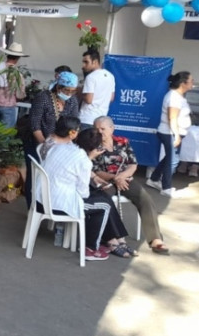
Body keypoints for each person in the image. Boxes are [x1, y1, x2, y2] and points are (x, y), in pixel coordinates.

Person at [42, 127, 131, 261]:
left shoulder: (60, 147)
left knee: (103, 198)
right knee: (104, 205)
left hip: (44, 195)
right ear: (95, 148)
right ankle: (90, 248)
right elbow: (83, 193)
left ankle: (115, 238)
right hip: (59, 203)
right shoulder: (84, 161)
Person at [92, 116, 169, 254]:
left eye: (103, 129)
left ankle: (155, 238)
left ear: (112, 128)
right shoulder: (92, 144)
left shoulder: (123, 142)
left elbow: (133, 164)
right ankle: (112, 237)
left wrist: (121, 177)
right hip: (105, 180)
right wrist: (115, 178)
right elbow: (95, 170)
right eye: (96, 129)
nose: (99, 132)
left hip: (124, 179)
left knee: (144, 198)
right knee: (104, 201)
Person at [23, 68, 80, 208]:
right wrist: (45, 146)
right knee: (35, 175)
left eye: (73, 91)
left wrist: (65, 144)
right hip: (37, 142)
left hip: (60, 145)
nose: (70, 94)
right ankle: (33, 208)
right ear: (58, 87)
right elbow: (34, 124)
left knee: (54, 177)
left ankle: (50, 206)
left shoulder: (72, 101)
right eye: (67, 91)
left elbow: (74, 123)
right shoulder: (43, 98)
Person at [147, 71, 194, 198]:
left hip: (172, 132)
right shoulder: (174, 97)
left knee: (169, 157)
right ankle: (166, 187)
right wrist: (177, 136)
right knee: (173, 160)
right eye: (191, 81)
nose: (193, 84)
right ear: (183, 83)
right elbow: (172, 118)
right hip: (169, 133)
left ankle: (153, 179)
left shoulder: (178, 96)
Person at [0, 42, 27, 129]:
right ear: (18, 58)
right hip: (8, 107)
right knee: (4, 134)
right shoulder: (18, 74)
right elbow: (20, 95)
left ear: (7, 55)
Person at [78, 48, 115, 129]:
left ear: (94, 62)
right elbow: (111, 98)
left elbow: (88, 100)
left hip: (87, 119)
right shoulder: (110, 76)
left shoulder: (90, 77)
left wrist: (79, 92)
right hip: (101, 120)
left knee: (84, 141)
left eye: (86, 62)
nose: (83, 65)